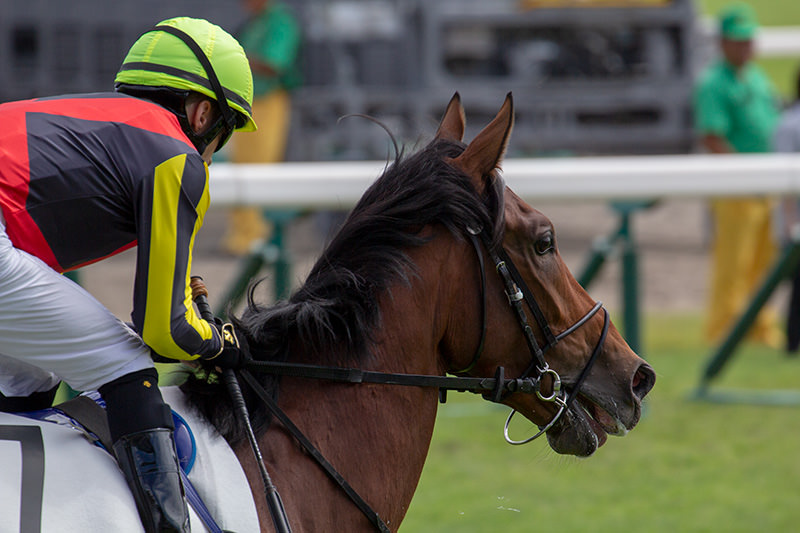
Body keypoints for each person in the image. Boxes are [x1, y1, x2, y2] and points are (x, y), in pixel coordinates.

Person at [0, 17, 254, 532]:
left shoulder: (102, 124)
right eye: (223, 133)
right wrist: (222, 342)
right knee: (124, 362)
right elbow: (164, 328)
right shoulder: (174, 155)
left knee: (29, 372)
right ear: (203, 113)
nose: (213, 151)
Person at [693, 2, 782, 347]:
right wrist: (744, 174)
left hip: (766, 184)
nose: (745, 46)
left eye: (749, 39)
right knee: (735, 265)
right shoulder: (714, 83)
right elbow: (712, 135)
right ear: (722, 43)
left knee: (764, 263)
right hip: (737, 187)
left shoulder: (756, 76)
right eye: (738, 40)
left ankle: (761, 328)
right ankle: (724, 332)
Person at [222, 0, 302, 255]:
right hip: (245, 101)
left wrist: (235, 57)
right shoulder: (256, 22)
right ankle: (242, 235)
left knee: (259, 165)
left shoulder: (279, 22)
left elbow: (275, 62)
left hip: (267, 101)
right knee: (240, 164)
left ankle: (256, 236)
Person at [773, 67, 800, 353]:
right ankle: (792, 343)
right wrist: (790, 220)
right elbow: (784, 176)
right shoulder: (790, 124)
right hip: (795, 219)